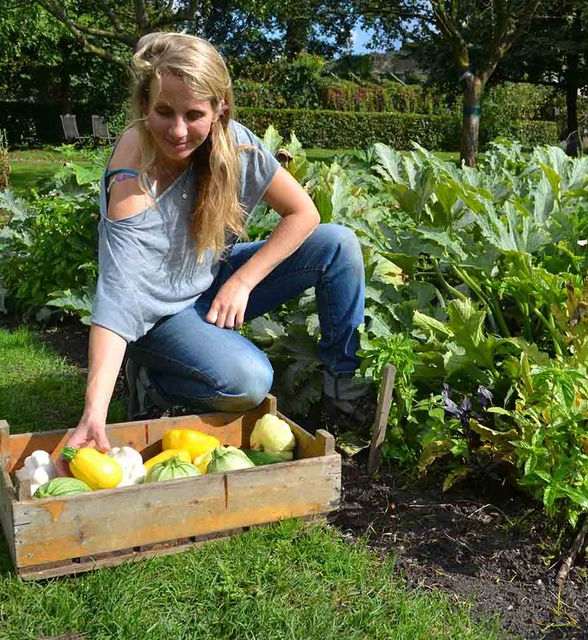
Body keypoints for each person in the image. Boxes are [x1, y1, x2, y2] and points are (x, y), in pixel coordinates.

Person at [57, 32, 368, 466]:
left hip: (211, 281)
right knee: (249, 381)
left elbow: (304, 214)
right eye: (164, 112)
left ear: (219, 108)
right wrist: (95, 412)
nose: (178, 130)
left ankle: (343, 394)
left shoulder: (233, 142)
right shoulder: (132, 177)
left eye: (194, 114)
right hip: (157, 316)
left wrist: (243, 280)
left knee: (337, 244)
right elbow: (120, 293)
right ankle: (155, 382)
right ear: (145, 106)